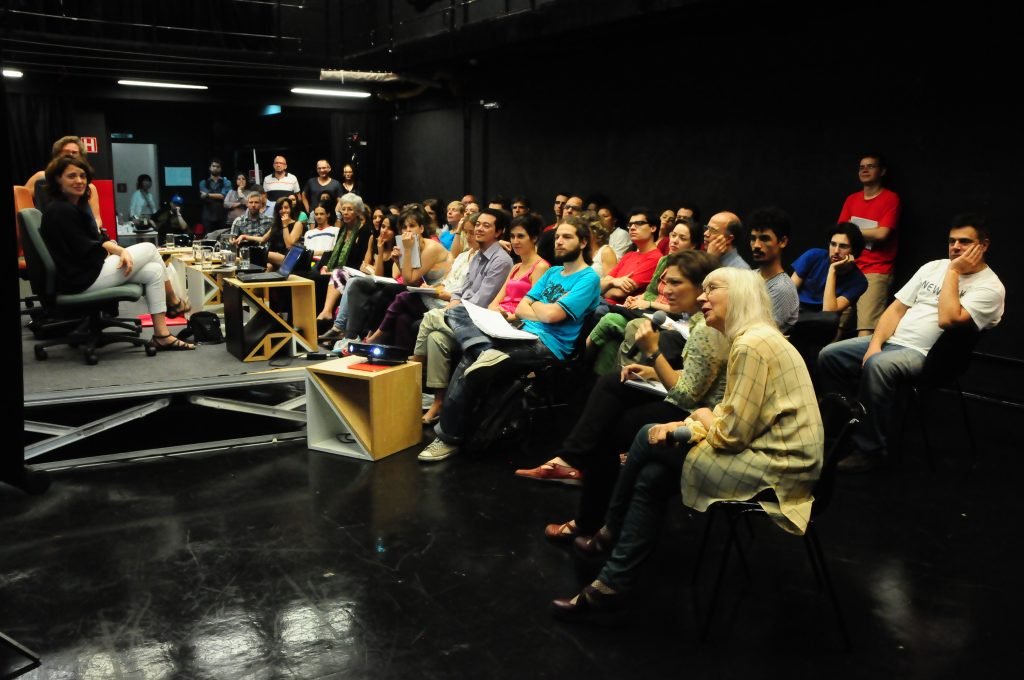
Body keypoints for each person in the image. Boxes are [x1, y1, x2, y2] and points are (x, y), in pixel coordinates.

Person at [551, 267, 823, 622]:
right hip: (772, 453)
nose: (701, 298)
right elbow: (732, 415)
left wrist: (692, 421)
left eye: (712, 289)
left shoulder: (751, 344)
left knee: (646, 436)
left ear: (739, 295)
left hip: (779, 469)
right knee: (653, 474)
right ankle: (610, 583)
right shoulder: (757, 337)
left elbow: (729, 433)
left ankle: (609, 533)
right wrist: (690, 422)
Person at [518, 251, 726, 540]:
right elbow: (694, 375)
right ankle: (575, 463)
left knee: (607, 431)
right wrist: (653, 369)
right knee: (613, 380)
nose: (665, 290)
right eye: (664, 282)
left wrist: (654, 352)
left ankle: (586, 505)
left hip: (696, 417)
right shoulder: (699, 321)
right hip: (689, 402)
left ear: (700, 286)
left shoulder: (706, 328)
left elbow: (688, 397)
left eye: (676, 283)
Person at [817, 214, 1004, 472]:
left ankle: (870, 449)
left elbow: (948, 319)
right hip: (892, 341)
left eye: (964, 241)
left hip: (929, 356)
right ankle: (843, 432)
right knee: (829, 355)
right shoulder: (931, 267)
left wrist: (954, 272)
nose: (956, 247)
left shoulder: (990, 287)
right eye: (952, 241)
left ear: (983, 245)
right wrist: (875, 344)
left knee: (878, 367)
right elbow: (895, 310)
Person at [418, 218, 602, 462]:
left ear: (583, 242)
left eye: (567, 237)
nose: (559, 241)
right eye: (558, 236)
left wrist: (536, 308)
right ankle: (481, 348)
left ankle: (448, 438)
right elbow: (525, 307)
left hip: (548, 346)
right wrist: (539, 309)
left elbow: (553, 314)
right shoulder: (555, 272)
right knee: (457, 311)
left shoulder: (588, 278)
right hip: (519, 331)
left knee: (470, 361)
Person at [39, 156, 195, 352]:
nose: (79, 180)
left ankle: (162, 335)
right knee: (149, 249)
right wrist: (114, 253)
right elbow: (89, 251)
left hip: (84, 273)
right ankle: (174, 302)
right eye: (71, 176)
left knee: (154, 270)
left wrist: (118, 251)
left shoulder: (71, 207)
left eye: (82, 175)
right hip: (81, 279)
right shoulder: (61, 211)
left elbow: (95, 240)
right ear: (57, 179)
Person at [414, 209, 513, 425]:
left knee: (430, 317)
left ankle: (411, 376)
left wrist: (453, 307)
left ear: (499, 232)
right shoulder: (477, 256)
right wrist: (454, 302)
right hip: (461, 313)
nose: (479, 228)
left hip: (478, 322)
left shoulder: (501, 260)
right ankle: (438, 402)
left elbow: (482, 301)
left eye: (486, 225)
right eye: (478, 224)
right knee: (435, 339)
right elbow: (461, 288)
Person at [337, 205, 451, 342]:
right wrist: (398, 261)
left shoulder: (431, 247)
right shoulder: (408, 244)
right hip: (424, 290)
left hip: (440, 295)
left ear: (421, 229)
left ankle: (370, 337)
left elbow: (410, 280)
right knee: (369, 289)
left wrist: (407, 252)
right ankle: (357, 336)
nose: (407, 230)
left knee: (389, 291)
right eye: (404, 227)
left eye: (412, 226)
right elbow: (402, 275)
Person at [838, 153, 902, 336]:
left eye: (871, 166)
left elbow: (882, 234)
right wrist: (863, 233)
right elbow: (841, 232)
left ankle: (863, 365)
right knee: (835, 321)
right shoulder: (852, 199)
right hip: (849, 265)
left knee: (866, 327)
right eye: (861, 167)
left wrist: (853, 230)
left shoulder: (890, 199)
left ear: (882, 171)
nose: (864, 170)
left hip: (876, 270)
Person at [26, 135, 103, 230]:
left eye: (74, 153)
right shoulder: (41, 177)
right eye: (66, 153)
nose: (70, 155)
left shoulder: (89, 187)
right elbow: (20, 201)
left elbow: (96, 218)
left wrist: (92, 231)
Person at [315, 192, 372, 319]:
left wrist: (333, 271)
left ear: (357, 212)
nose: (345, 212)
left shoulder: (365, 231)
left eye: (350, 209)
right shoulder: (343, 229)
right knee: (313, 276)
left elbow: (358, 261)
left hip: (353, 271)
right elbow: (334, 252)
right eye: (343, 209)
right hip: (337, 270)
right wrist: (325, 267)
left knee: (322, 280)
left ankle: (326, 314)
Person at [791, 222, 868, 313]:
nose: (836, 251)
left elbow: (828, 311)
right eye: (833, 244)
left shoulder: (859, 281)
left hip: (824, 321)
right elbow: (788, 293)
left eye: (843, 246)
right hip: (795, 310)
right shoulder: (813, 255)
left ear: (854, 251)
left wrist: (832, 270)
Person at [746, 207, 800, 333]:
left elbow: (762, 334)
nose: (756, 245)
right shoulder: (750, 277)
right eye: (753, 238)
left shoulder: (782, 288)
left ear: (782, 242)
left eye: (764, 239)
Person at [489, 213, 551, 321]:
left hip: (517, 322)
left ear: (534, 238)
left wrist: (507, 318)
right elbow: (494, 303)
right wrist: (494, 312)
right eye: (512, 236)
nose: (515, 241)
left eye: (520, 236)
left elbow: (534, 309)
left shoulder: (541, 267)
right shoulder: (516, 267)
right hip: (499, 318)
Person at [599, 208, 662, 304]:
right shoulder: (629, 255)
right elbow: (601, 284)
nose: (632, 228)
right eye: (630, 225)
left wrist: (603, 288)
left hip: (618, 310)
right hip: (602, 303)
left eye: (639, 223)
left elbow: (619, 293)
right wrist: (613, 282)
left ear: (653, 228)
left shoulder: (655, 258)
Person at [253, 197, 305, 267]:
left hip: (287, 257)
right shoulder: (276, 224)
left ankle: (245, 259)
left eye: (286, 208)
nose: (283, 210)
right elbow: (263, 239)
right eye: (280, 208)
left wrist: (285, 225)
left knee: (257, 253)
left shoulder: (297, 224)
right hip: (272, 256)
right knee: (268, 266)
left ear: (290, 209)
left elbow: (289, 245)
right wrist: (244, 236)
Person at [198, 159, 232, 234]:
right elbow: (203, 196)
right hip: (207, 216)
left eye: (218, 166)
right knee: (208, 239)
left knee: (222, 238)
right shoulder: (203, 182)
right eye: (213, 166)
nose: (215, 168)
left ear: (221, 169)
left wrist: (208, 195)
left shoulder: (227, 182)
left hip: (222, 216)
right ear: (210, 168)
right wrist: (216, 195)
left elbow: (224, 196)